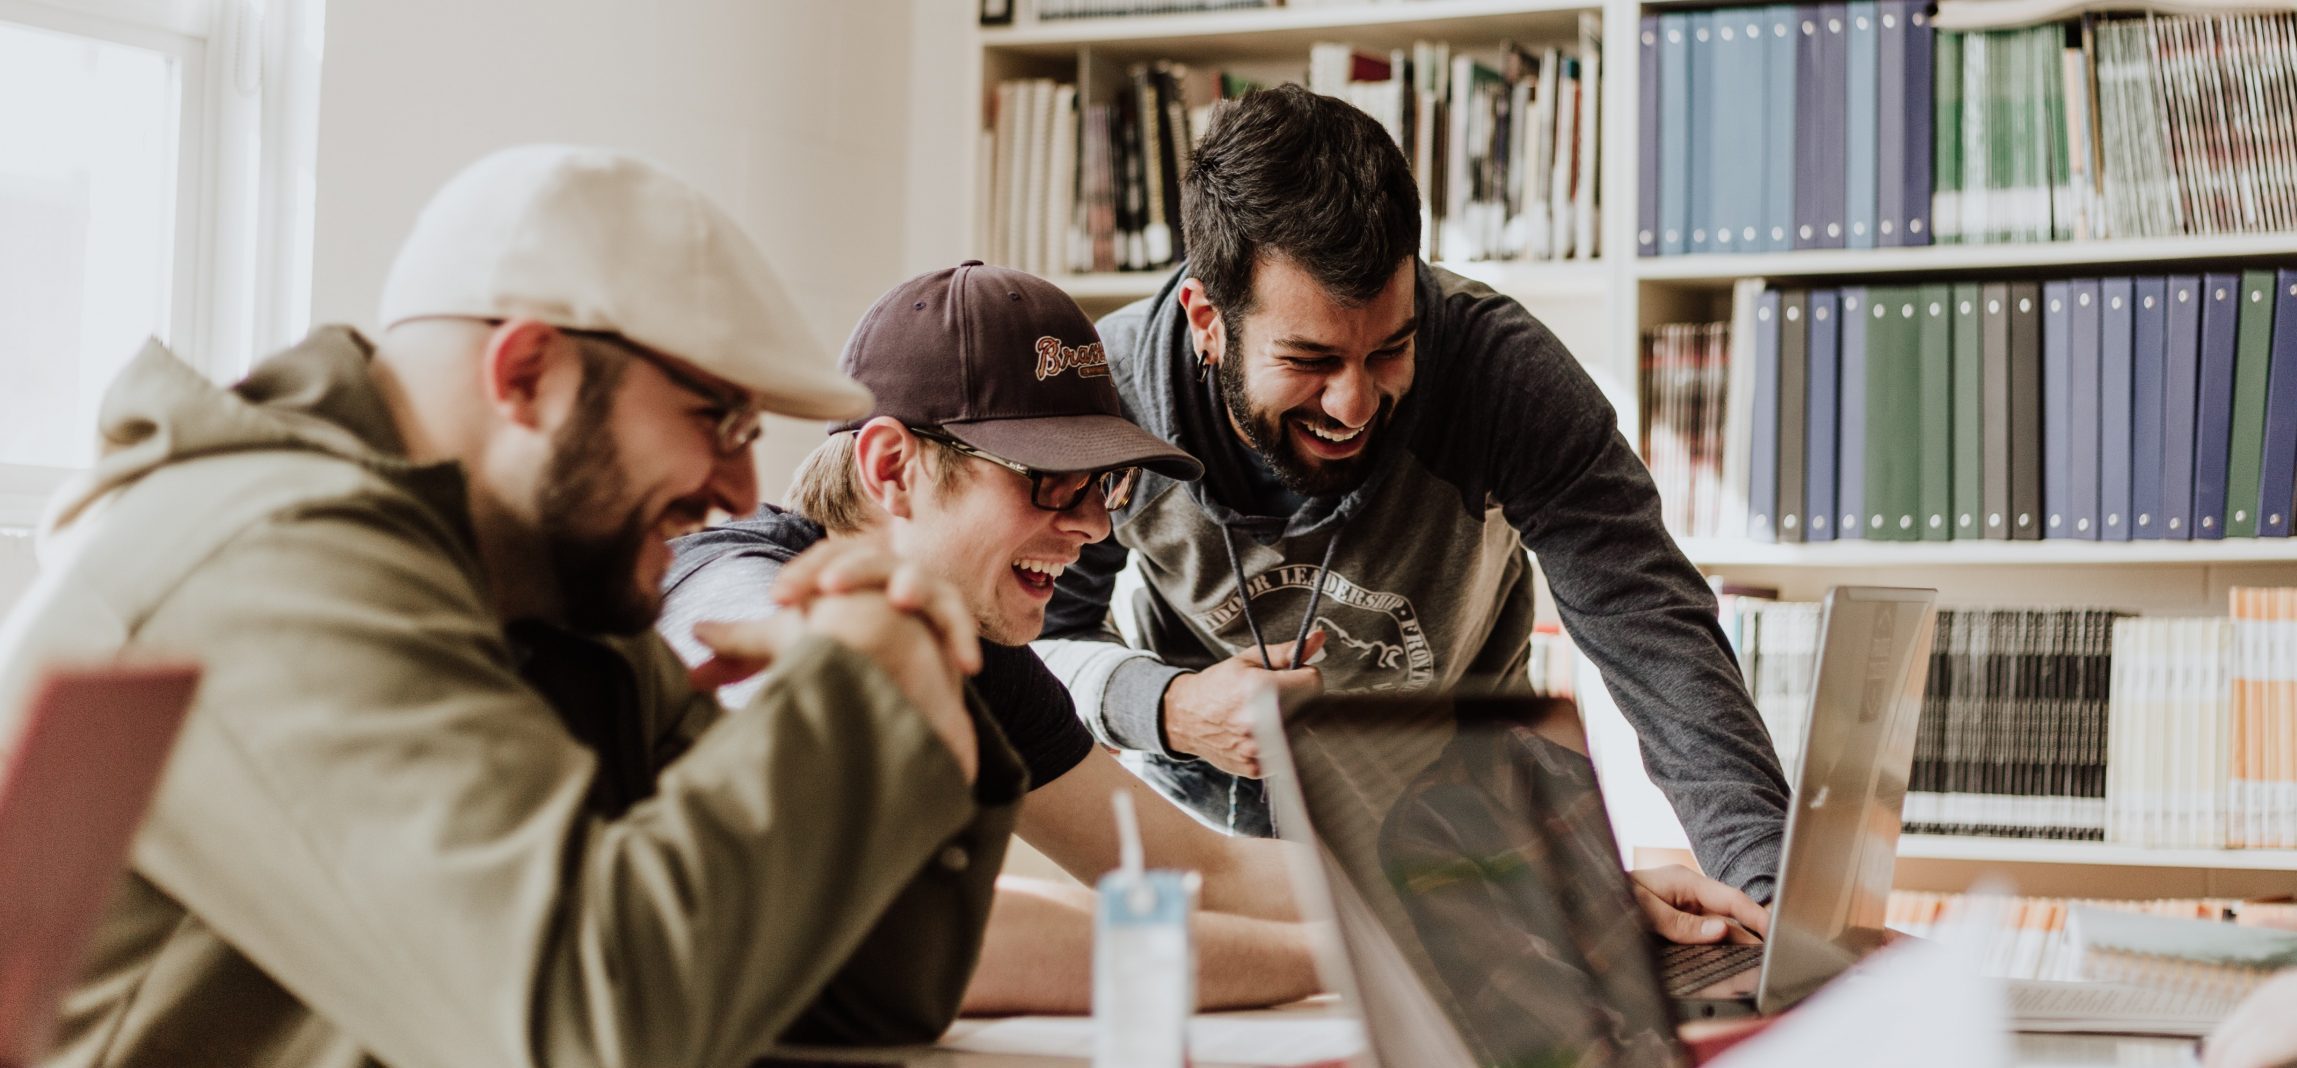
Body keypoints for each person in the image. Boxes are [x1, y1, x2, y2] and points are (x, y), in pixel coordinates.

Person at [0, 145, 1020, 1068]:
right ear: (526, 372)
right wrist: (849, 695)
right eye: (717, 417)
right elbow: (587, 1027)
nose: (742, 490)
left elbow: (853, 998)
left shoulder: (545, 596)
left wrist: (916, 692)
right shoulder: (268, 566)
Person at [659, 262, 1773, 1016]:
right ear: (892, 468)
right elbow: (917, 931)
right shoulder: (741, 598)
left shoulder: (975, 647)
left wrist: (1542, 893)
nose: (1095, 526)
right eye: (1050, 482)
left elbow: (1190, 867)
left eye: (1104, 488)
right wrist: (1403, 954)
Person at [1033, 83, 1791, 900]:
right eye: (1310, 361)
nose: (1353, 405)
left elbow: (1652, 631)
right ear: (1206, 320)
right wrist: (1170, 707)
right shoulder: (1109, 403)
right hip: (1203, 847)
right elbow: (1035, 644)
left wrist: (1766, 892)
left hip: (1459, 830)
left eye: (1389, 349)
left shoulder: (1505, 377)